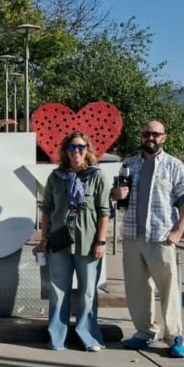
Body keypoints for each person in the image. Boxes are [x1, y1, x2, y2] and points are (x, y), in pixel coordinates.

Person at [110, 120, 184, 358]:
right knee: (137, 289)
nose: (151, 137)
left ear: (163, 138)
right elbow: (118, 198)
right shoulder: (130, 164)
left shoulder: (173, 165)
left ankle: (174, 335)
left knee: (168, 288)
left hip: (160, 237)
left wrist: (178, 231)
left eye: (155, 134)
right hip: (132, 235)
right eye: (147, 133)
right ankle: (145, 332)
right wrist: (115, 194)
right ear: (142, 136)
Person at [34, 131, 110, 351]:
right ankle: (57, 338)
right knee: (58, 290)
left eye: (80, 147)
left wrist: (101, 242)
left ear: (87, 150)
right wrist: (43, 239)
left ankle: (88, 337)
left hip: (88, 242)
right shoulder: (56, 177)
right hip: (59, 242)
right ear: (65, 151)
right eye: (71, 147)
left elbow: (104, 211)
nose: (76, 151)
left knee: (87, 291)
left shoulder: (97, 176)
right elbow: (47, 209)